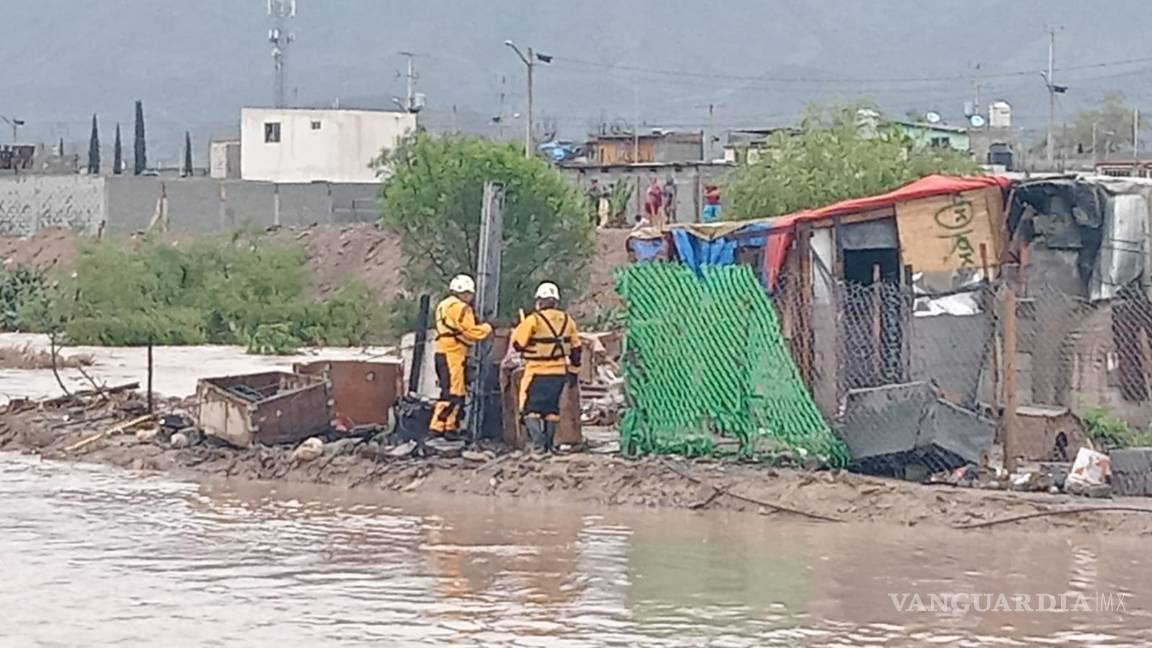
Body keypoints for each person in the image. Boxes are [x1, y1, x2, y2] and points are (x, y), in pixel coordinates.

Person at [510, 281, 582, 453]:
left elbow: (518, 344)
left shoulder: (533, 320)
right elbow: (576, 350)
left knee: (530, 410)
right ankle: (550, 446)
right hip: (558, 373)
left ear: (540, 301)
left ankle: (539, 446)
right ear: (555, 301)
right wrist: (573, 372)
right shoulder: (567, 320)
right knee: (551, 410)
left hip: (536, 371)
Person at [429, 274, 493, 438]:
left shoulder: (443, 305)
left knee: (448, 390)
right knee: (454, 393)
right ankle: (443, 426)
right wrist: (487, 327)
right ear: (466, 293)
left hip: (442, 352)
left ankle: (444, 426)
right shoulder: (462, 308)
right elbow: (471, 332)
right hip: (454, 354)